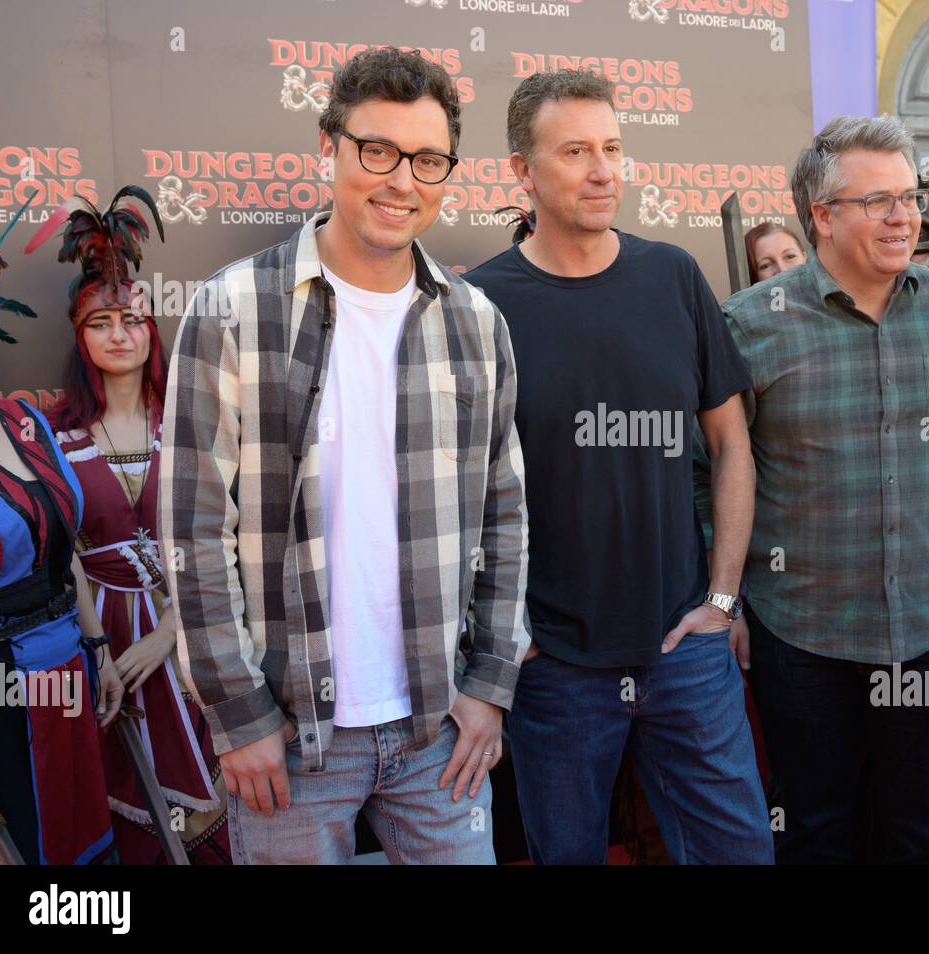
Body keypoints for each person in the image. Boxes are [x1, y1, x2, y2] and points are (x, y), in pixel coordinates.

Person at [160, 47, 530, 864]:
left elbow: (505, 515)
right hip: (287, 739)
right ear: (327, 147)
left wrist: (488, 687)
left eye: (428, 160)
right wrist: (238, 714)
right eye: (378, 151)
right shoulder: (232, 309)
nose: (403, 180)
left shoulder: (476, 322)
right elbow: (192, 532)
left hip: (439, 731)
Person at [466, 69, 772, 865]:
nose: (605, 171)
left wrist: (723, 597)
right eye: (576, 151)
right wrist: (508, 635)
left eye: (613, 148)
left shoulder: (672, 275)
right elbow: (452, 489)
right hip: (555, 669)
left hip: (687, 651)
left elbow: (733, 444)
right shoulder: (478, 307)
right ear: (521, 170)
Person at [697, 115, 929, 864]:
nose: (904, 215)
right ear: (821, 215)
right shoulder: (749, 324)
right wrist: (728, 599)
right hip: (803, 637)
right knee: (815, 833)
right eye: (877, 200)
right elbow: (710, 471)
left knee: (926, 835)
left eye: (910, 195)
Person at [26, 187, 231, 863]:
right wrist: (101, 654)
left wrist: (172, 634)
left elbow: (231, 535)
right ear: (79, 336)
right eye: (101, 322)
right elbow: (68, 559)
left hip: (201, 631)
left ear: (153, 328)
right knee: (132, 807)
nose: (120, 334)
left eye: (133, 320)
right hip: (107, 643)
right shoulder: (55, 436)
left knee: (224, 801)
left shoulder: (194, 419)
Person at [0, 209, 124, 865]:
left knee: (80, 853)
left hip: (68, 676)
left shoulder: (25, 421)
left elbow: (69, 557)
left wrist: (98, 645)